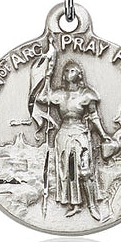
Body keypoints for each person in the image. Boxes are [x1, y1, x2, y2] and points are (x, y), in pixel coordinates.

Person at [35, 60, 112, 220]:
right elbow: (42, 98)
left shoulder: (87, 94)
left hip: (80, 134)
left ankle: (92, 206)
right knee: (69, 171)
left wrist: (103, 134)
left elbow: (94, 116)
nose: (68, 73)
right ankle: (75, 205)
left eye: (72, 71)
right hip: (63, 134)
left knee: (85, 171)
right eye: (66, 71)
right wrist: (47, 78)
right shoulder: (59, 94)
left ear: (79, 75)